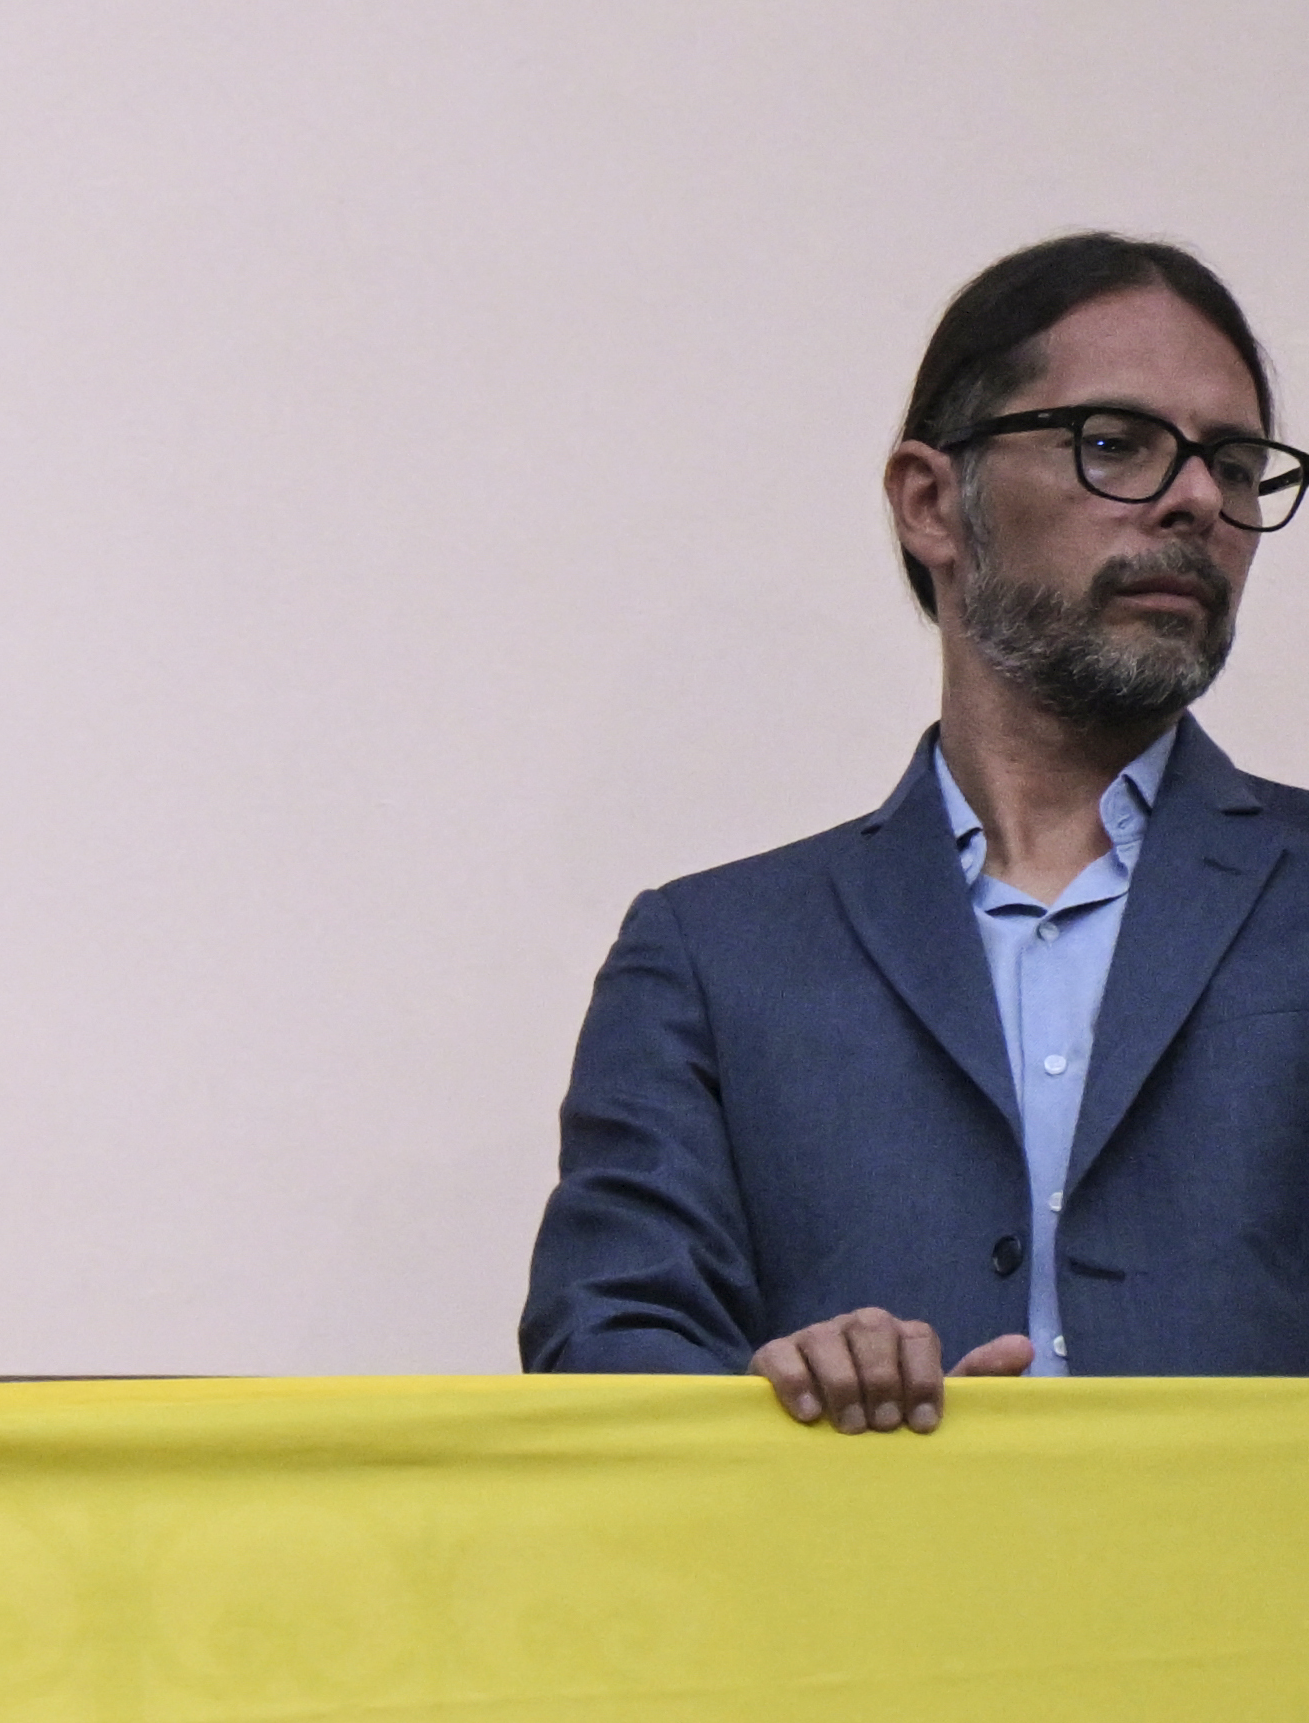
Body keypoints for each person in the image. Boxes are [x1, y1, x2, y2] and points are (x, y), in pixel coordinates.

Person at [527, 232, 1309, 1430]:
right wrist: (776, 1395)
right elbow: (606, 1350)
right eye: (1115, 444)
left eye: (1238, 462)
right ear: (930, 500)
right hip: (852, 1602)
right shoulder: (712, 955)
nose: (1199, 497)